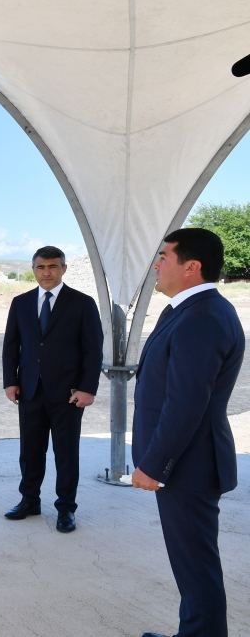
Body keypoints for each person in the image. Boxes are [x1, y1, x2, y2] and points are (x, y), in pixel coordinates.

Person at [132, 228, 244, 637]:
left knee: (196, 565)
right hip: (184, 461)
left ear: (191, 267)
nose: (156, 265)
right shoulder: (182, 311)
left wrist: (154, 465)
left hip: (188, 465)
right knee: (191, 563)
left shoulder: (204, 317)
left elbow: (186, 403)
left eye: (164, 257)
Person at [1, 245, 103, 533]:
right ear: (33, 270)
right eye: (41, 267)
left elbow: (92, 350)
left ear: (63, 269)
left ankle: (66, 509)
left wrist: (87, 388)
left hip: (68, 394)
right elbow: (11, 346)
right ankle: (29, 500)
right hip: (29, 391)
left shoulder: (82, 303)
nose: (47, 272)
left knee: (66, 453)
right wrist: (11, 381)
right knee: (30, 451)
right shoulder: (20, 303)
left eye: (53, 267)